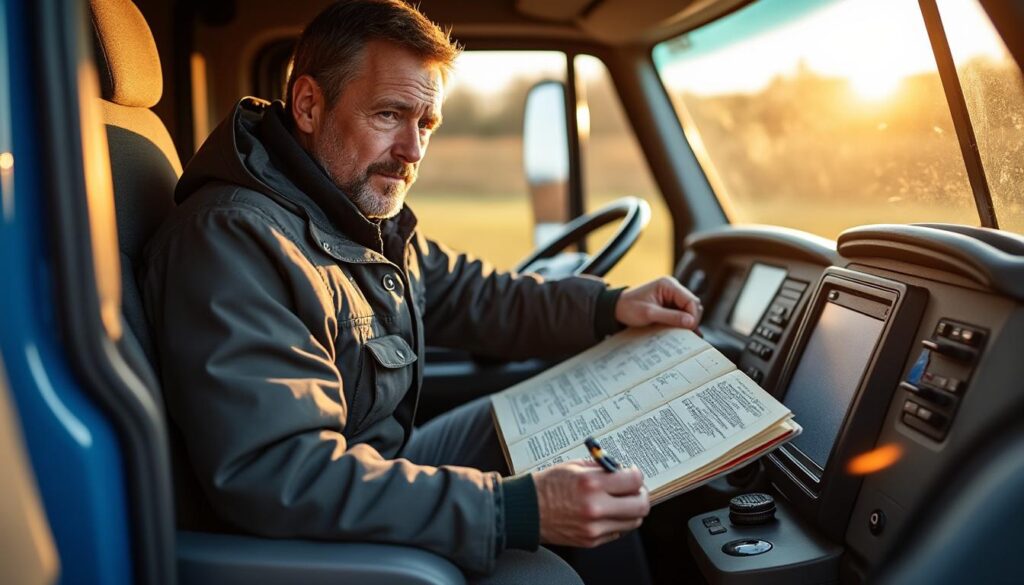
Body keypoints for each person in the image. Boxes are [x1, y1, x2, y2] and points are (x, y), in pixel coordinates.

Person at [141, 0, 702, 582]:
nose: (412, 152)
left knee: (578, 441)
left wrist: (607, 306)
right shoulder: (235, 241)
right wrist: (509, 510)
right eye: (389, 115)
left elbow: (467, 293)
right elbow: (280, 474)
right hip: (301, 532)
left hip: (372, 468)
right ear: (309, 105)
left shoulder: (348, 209)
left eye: (426, 125)